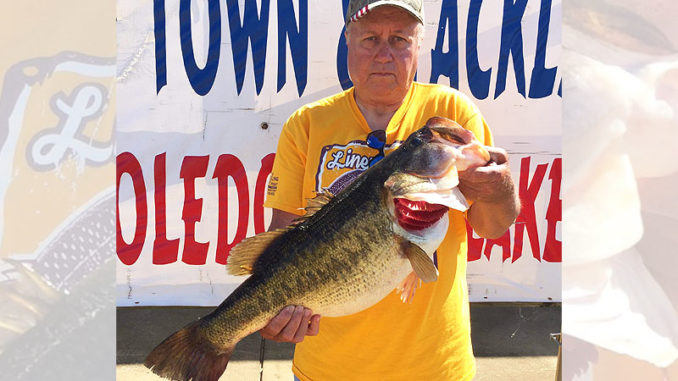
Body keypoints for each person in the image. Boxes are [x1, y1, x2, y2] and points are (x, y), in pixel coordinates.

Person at [261, 0, 520, 380]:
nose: (384, 54)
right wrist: (271, 315)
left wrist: (498, 187)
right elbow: (280, 239)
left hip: (434, 366)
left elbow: (493, 226)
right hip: (327, 368)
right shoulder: (306, 123)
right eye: (370, 38)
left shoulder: (450, 114)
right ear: (346, 42)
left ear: (418, 46)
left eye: (399, 39)